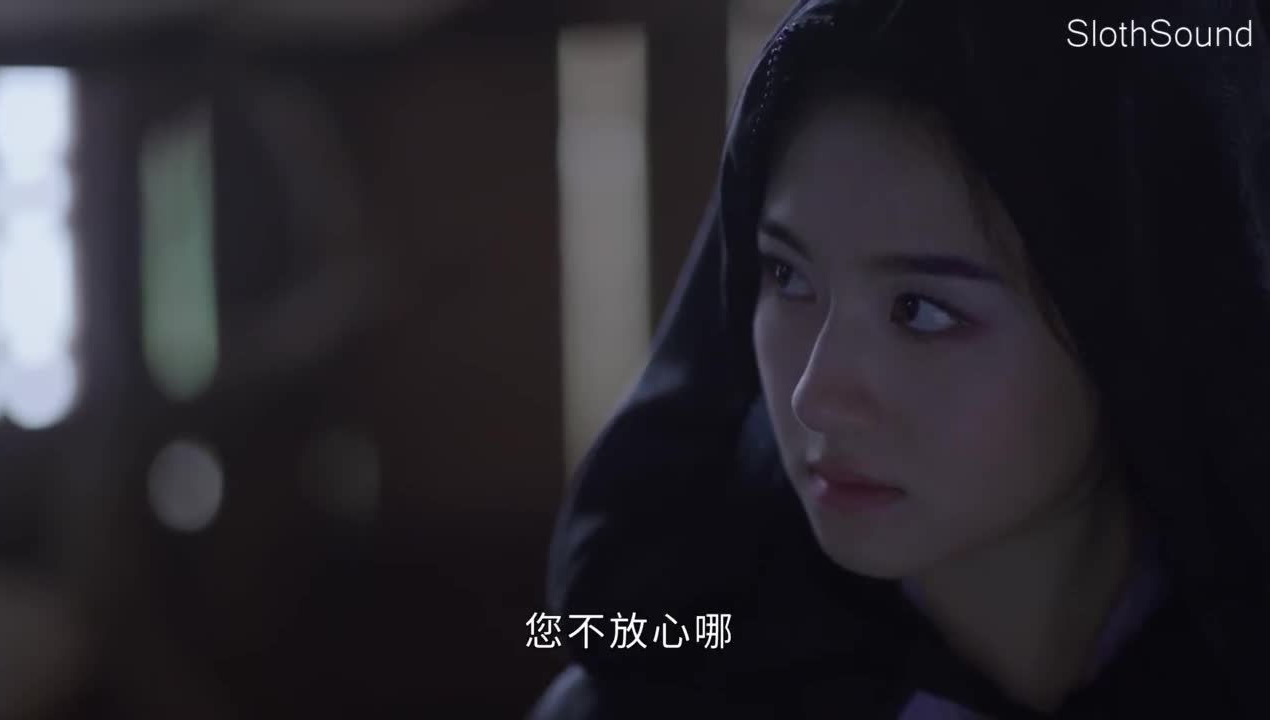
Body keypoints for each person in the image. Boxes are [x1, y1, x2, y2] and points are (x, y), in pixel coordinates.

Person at [532, 0, 1270, 717]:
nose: (814, 395)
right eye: (787, 276)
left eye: (921, 310)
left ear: (1138, 323)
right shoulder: (655, 691)